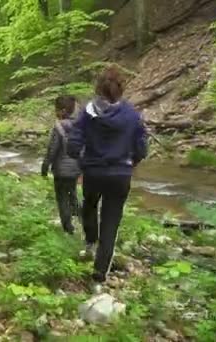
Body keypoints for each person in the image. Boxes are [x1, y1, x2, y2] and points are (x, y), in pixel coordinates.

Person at [67, 66, 148, 284]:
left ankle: (91, 241)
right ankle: (101, 270)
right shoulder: (132, 115)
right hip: (121, 174)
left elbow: (73, 142)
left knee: (90, 204)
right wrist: (134, 161)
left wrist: (79, 158)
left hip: (93, 171)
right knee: (111, 220)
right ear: (120, 88)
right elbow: (141, 147)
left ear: (98, 87)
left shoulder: (88, 111)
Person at [41, 95, 81, 234]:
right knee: (72, 193)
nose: (55, 113)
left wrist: (45, 167)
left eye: (56, 110)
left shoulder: (58, 127)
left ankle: (68, 228)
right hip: (76, 169)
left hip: (61, 170)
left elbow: (52, 150)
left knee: (62, 198)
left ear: (63, 111)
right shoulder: (79, 126)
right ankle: (83, 220)